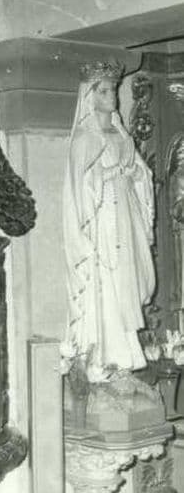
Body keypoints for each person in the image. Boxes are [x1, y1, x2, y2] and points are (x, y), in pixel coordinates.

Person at [61, 61, 155, 384]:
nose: (111, 95)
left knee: (125, 281)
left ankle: (125, 356)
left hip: (125, 218)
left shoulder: (121, 134)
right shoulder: (84, 138)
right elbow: (80, 188)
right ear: (90, 96)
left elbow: (141, 172)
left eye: (113, 89)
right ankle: (101, 358)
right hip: (100, 222)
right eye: (103, 90)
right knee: (104, 284)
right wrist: (110, 174)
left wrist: (135, 173)